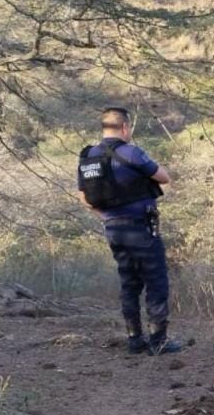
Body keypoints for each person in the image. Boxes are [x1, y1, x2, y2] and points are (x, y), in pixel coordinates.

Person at [77, 107, 181, 355]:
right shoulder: (132, 152)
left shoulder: (89, 156)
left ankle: (135, 339)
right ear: (125, 127)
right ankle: (158, 341)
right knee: (156, 281)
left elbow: (84, 199)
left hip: (114, 229)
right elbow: (164, 177)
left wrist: (107, 218)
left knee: (129, 282)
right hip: (140, 227)